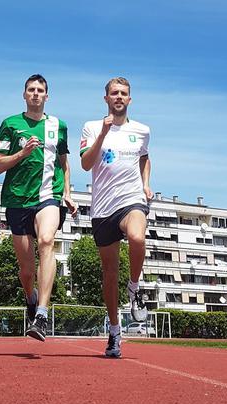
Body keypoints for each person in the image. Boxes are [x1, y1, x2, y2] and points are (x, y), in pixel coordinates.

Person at [0, 74, 77, 342]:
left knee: (47, 240)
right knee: (27, 271)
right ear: (24, 94)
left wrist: (68, 193)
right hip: (17, 200)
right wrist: (22, 154)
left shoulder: (58, 126)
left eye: (41, 90)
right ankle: (31, 297)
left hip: (48, 196)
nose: (36, 94)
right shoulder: (10, 124)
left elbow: (64, 163)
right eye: (31, 90)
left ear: (47, 96)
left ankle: (41, 313)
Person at [80, 77, 152, 358]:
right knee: (109, 275)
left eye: (123, 94)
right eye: (114, 93)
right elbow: (86, 164)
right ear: (106, 98)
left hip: (131, 200)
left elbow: (144, 157)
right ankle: (114, 331)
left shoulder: (142, 130)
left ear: (130, 99)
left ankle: (134, 287)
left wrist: (146, 184)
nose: (118, 97)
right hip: (102, 208)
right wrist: (102, 134)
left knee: (137, 235)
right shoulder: (91, 126)